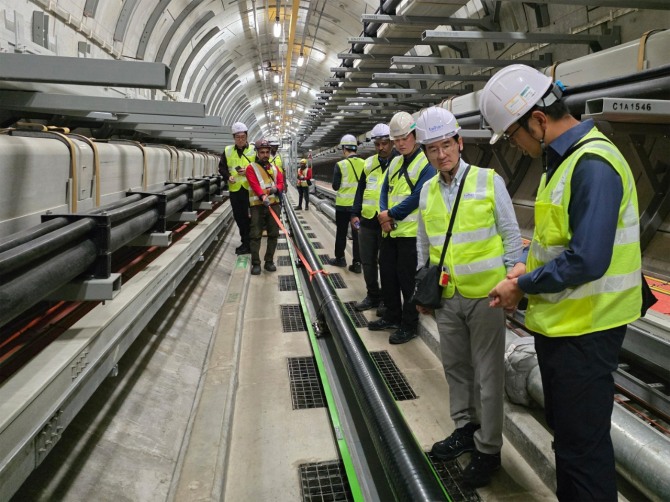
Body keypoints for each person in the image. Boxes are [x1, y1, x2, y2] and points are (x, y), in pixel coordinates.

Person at [481, 64, 642, 501]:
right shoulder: (563, 162)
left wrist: (523, 286)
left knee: (583, 452)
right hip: (565, 328)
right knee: (570, 444)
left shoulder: (593, 164)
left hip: (587, 332)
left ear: (537, 120)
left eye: (512, 136)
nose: (515, 145)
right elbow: (555, 243)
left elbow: (588, 258)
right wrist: (525, 268)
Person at [415, 106, 523, 488]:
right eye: (432, 149)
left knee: (489, 375)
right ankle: (465, 428)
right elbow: (424, 244)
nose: (441, 154)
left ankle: (488, 450)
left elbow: (511, 237)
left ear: (460, 143)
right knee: (456, 368)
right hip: (447, 296)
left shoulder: (488, 181)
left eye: (446, 145)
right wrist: (422, 285)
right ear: (425, 153)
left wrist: (513, 283)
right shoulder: (427, 191)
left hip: (486, 297)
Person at [368, 111, 436, 344]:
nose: (400, 144)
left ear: (415, 135)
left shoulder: (426, 164)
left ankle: (409, 325)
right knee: (388, 276)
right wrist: (383, 215)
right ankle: (392, 315)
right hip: (390, 231)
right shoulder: (395, 161)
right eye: (396, 140)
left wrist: (391, 214)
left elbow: (418, 196)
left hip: (410, 235)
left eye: (404, 138)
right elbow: (384, 190)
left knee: (408, 282)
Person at [350, 123, 397, 312]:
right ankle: (372, 296)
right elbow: (360, 190)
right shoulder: (368, 163)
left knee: (386, 264)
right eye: (377, 144)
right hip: (368, 220)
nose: (381, 148)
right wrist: (354, 213)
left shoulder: (399, 163)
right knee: (367, 261)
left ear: (391, 142)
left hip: (388, 221)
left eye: (385, 143)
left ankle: (387, 299)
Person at [245, 138, 284, 275]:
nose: (265, 155)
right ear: (257, 153)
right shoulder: (251, 168)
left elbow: (281, 182)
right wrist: (262, 196)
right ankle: (256, 263)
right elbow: (254, 184)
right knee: (255, 234)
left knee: (273, 234)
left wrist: (276, 189)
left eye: (267, 152)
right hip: (257, 205)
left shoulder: (275, 168)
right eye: (262, 152)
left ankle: (269, 261)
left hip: (274, 205)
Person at [329, 134, 364, 273]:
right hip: (358, 208)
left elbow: (335, 186)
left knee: (341, 233)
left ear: (344, 149)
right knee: (357, 235)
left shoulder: (340, 165)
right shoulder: (365, 164)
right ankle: (357, 263)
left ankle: (340, 259)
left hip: (343, 207)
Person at [219, 121, 255, 255]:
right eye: (238, 137)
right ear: (234, 138)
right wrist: (228, 176)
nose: (240, 140)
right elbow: (222, 168)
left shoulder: (253, 150)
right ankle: (245, 242)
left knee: (251, 217)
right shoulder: (228, 150)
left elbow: (260, 167)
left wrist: (248, 171)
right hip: (235, 189)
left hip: (250, 190)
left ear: (246, 136)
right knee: (239, 217)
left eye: (243, 137)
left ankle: (251, 243)